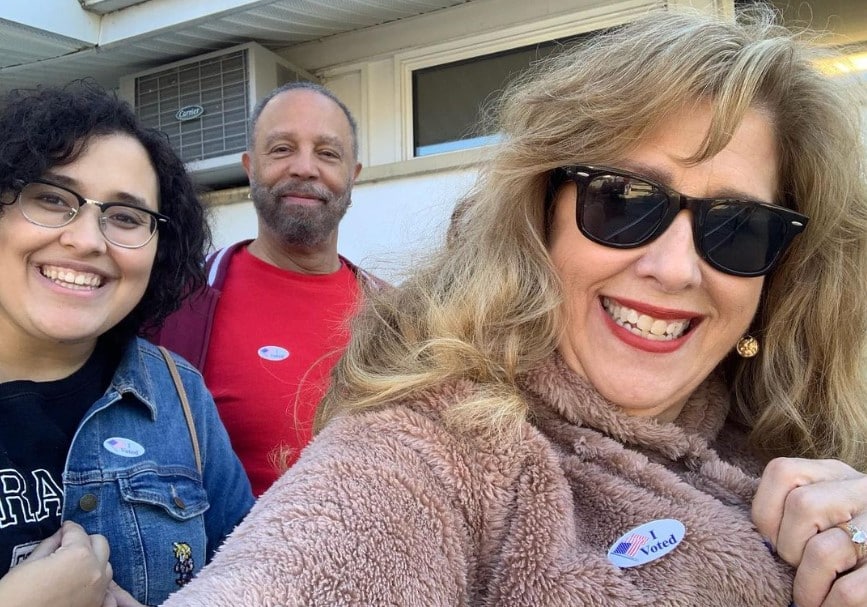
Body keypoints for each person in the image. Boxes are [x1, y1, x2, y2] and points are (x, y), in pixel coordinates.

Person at [162, 6, 867, 607]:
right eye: (623, 202)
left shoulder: (807, 432)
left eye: (738, 228)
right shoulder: (440, 446)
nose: (676, 268)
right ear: (540, 216)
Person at [0, 82, 254, 607]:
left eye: (126, 217)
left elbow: (256, 577)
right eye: (50, 199)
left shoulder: (178, 394)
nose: (89, 240)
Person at [153, 82, 383, 496]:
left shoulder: (396, 315)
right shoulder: (178, 305)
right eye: (281, 149)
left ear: (353, 175)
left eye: (328, 154)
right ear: (250, 167)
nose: (304, 168)